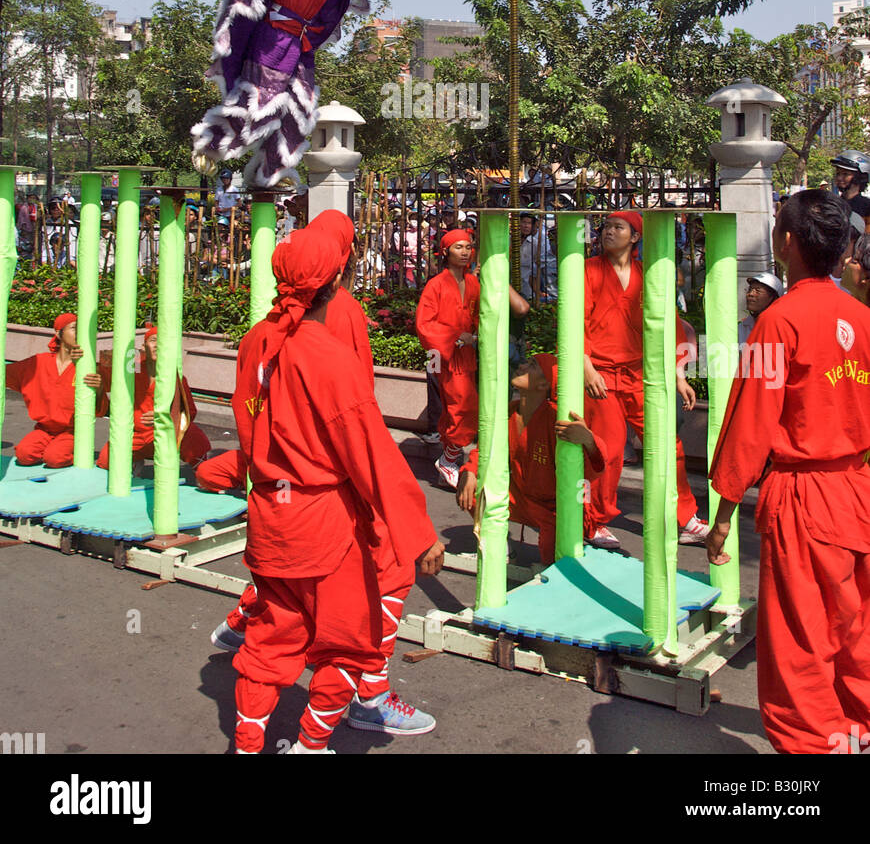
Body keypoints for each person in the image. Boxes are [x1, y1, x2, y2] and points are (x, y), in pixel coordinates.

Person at [231, 226, 443, 753]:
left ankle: (247, 743)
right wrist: (418, 533)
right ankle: (310, 746)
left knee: (267, 642)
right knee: (350, 644)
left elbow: (246, 417)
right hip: (326, 525)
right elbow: (369, 451)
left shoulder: (256, 339)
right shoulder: (324, 354)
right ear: (341, 277)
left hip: (269, 515)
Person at [707, 189, 870, 755]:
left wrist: (723, 514)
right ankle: (857, 723)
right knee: (855, 621)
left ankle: (816, 742)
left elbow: (749, 423)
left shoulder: (777, 321)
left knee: (800, 631)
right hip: (858, 487)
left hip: (804, 493)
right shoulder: (862, 317)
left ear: (788, 243)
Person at [582, 211, 709, 549]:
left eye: (617, 227)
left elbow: (669, 324)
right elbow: (574, 322)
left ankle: (686, 519)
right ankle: (594, 521)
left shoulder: (647, 274)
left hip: (641, 375)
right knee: (605, 451)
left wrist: (679, 373)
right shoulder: (588, 270)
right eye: (606, 226)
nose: (609, 232)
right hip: (601, 376)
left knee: (668, 443)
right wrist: (586, 368)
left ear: (635, 236)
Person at [457, 353, 607, 566]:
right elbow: (486, 449)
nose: (523, 365)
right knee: (473, 490)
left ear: (544, 384)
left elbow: (593, 470)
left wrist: (589, 440)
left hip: (555, 508)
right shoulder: (508, 412)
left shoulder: (556, 419)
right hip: (519, 498)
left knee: (555, 562)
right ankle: (501, 547)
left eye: (533, 365)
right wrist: (470, 470)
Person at [87, 326, 210, 471]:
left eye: (163, 341)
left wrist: (165, 417)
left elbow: (189, 412)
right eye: (153, 340)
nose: (158, 345)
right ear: (143, 346)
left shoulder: (176, 376)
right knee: (105, 460)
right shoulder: (133, 368)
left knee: (193, 438)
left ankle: (204, 470)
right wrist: (93, 373)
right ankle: (135, 460)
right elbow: (102, 369)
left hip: (165, 432)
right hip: (136, 435)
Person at [415, 228, 480, 488]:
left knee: (455, 410)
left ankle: (448, 462)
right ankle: (449, 459)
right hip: (447, 355)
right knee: (465, 408)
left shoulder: (473, 283)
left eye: (467, 247)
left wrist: (474, 336)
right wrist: (455, 336)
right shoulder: (436, 285)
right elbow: (424, 324)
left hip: (467, 356)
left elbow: (477, 318)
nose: (464, 252)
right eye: (458, 247)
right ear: (445, 252)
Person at [5, 313, 82, 467]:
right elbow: (6, 373)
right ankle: (51, 448)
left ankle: (66, 451)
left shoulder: (85, 364)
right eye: (74, 328)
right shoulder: (39, 362)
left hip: (73, 430)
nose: (79, 334)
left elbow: (101, 406)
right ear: (58, 333)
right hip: (44, 429)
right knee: (24, 455)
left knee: (54, 458)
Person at [737, 271, 784, 346]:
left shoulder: (783, 329)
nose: (751, 294)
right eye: (750, 290)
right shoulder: (741, 329)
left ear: (774, 298)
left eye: (758, 291)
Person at [830, 149, 870, 224]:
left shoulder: (867, 207)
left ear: (860, 177)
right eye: (838, 173)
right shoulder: (832, 205)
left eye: (845, 174)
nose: (839, 178)